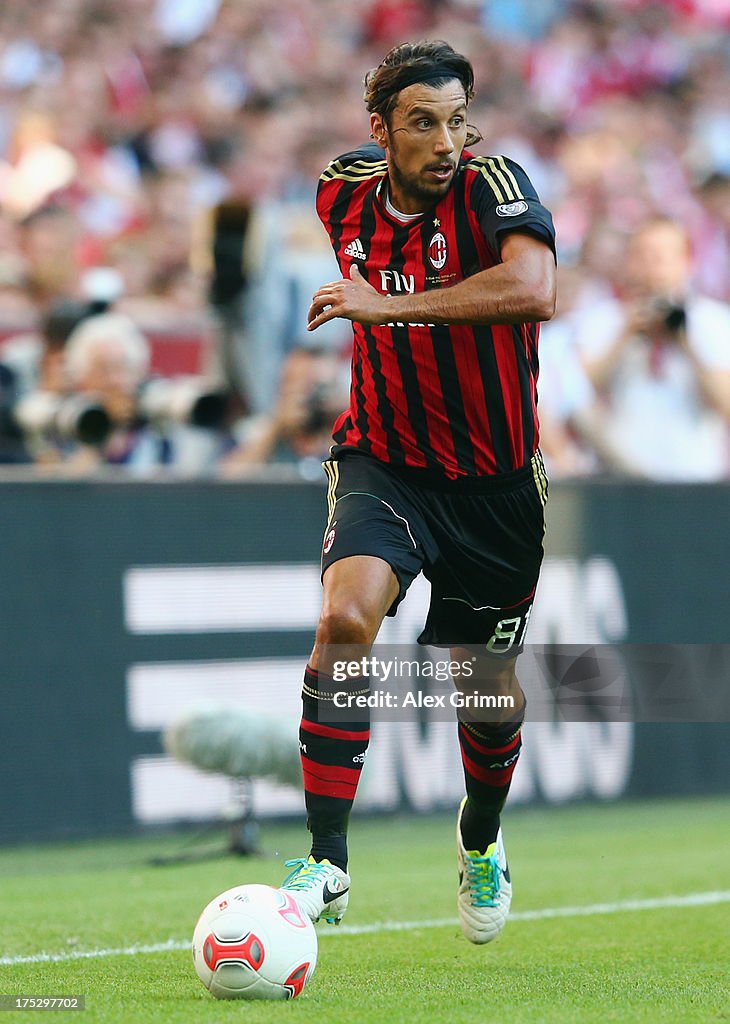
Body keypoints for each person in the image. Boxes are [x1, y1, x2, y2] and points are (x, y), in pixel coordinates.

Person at [278, 41, 556, 946]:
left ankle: (481, 836)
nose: (446, 141)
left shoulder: (494, 185)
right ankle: (327, 861)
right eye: (423, 122)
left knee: (484, 685)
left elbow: (532, 288)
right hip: (386, 462)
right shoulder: (342, 192)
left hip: (496, 486)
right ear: (382, 131)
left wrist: (386, 305)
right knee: (346, 620)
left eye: (457, 118)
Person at [575, 217, 730, 480]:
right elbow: (575, 394)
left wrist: (685, 343)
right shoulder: (602, 320)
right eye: (641, 256)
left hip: (695, 473)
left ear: (687, 262)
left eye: (661, 257)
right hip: (621, 475)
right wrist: (625, 335)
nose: (651, 267)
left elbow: (725, 404)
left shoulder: (714, 321)